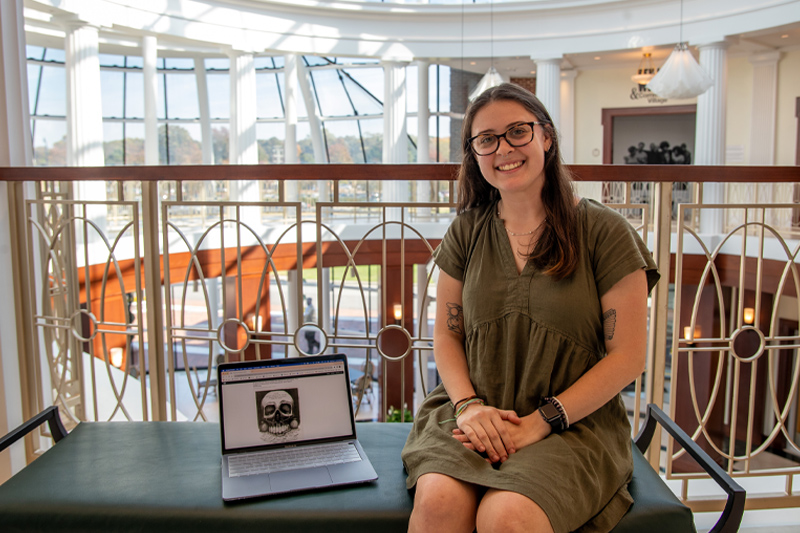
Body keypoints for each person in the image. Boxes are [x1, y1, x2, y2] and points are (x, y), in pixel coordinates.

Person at [401, 83, 659, 533]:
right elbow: (447, 334)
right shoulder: (466, 231)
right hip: (472, 411)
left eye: (518, 131)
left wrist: (542, 421)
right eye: (487, 139)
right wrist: (468, 407)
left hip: (572, 423)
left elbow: (628, 356)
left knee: (508, 516)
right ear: (474, 154)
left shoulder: (605, 232)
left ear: (547, 137)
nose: (504, 149)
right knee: (439, 501)